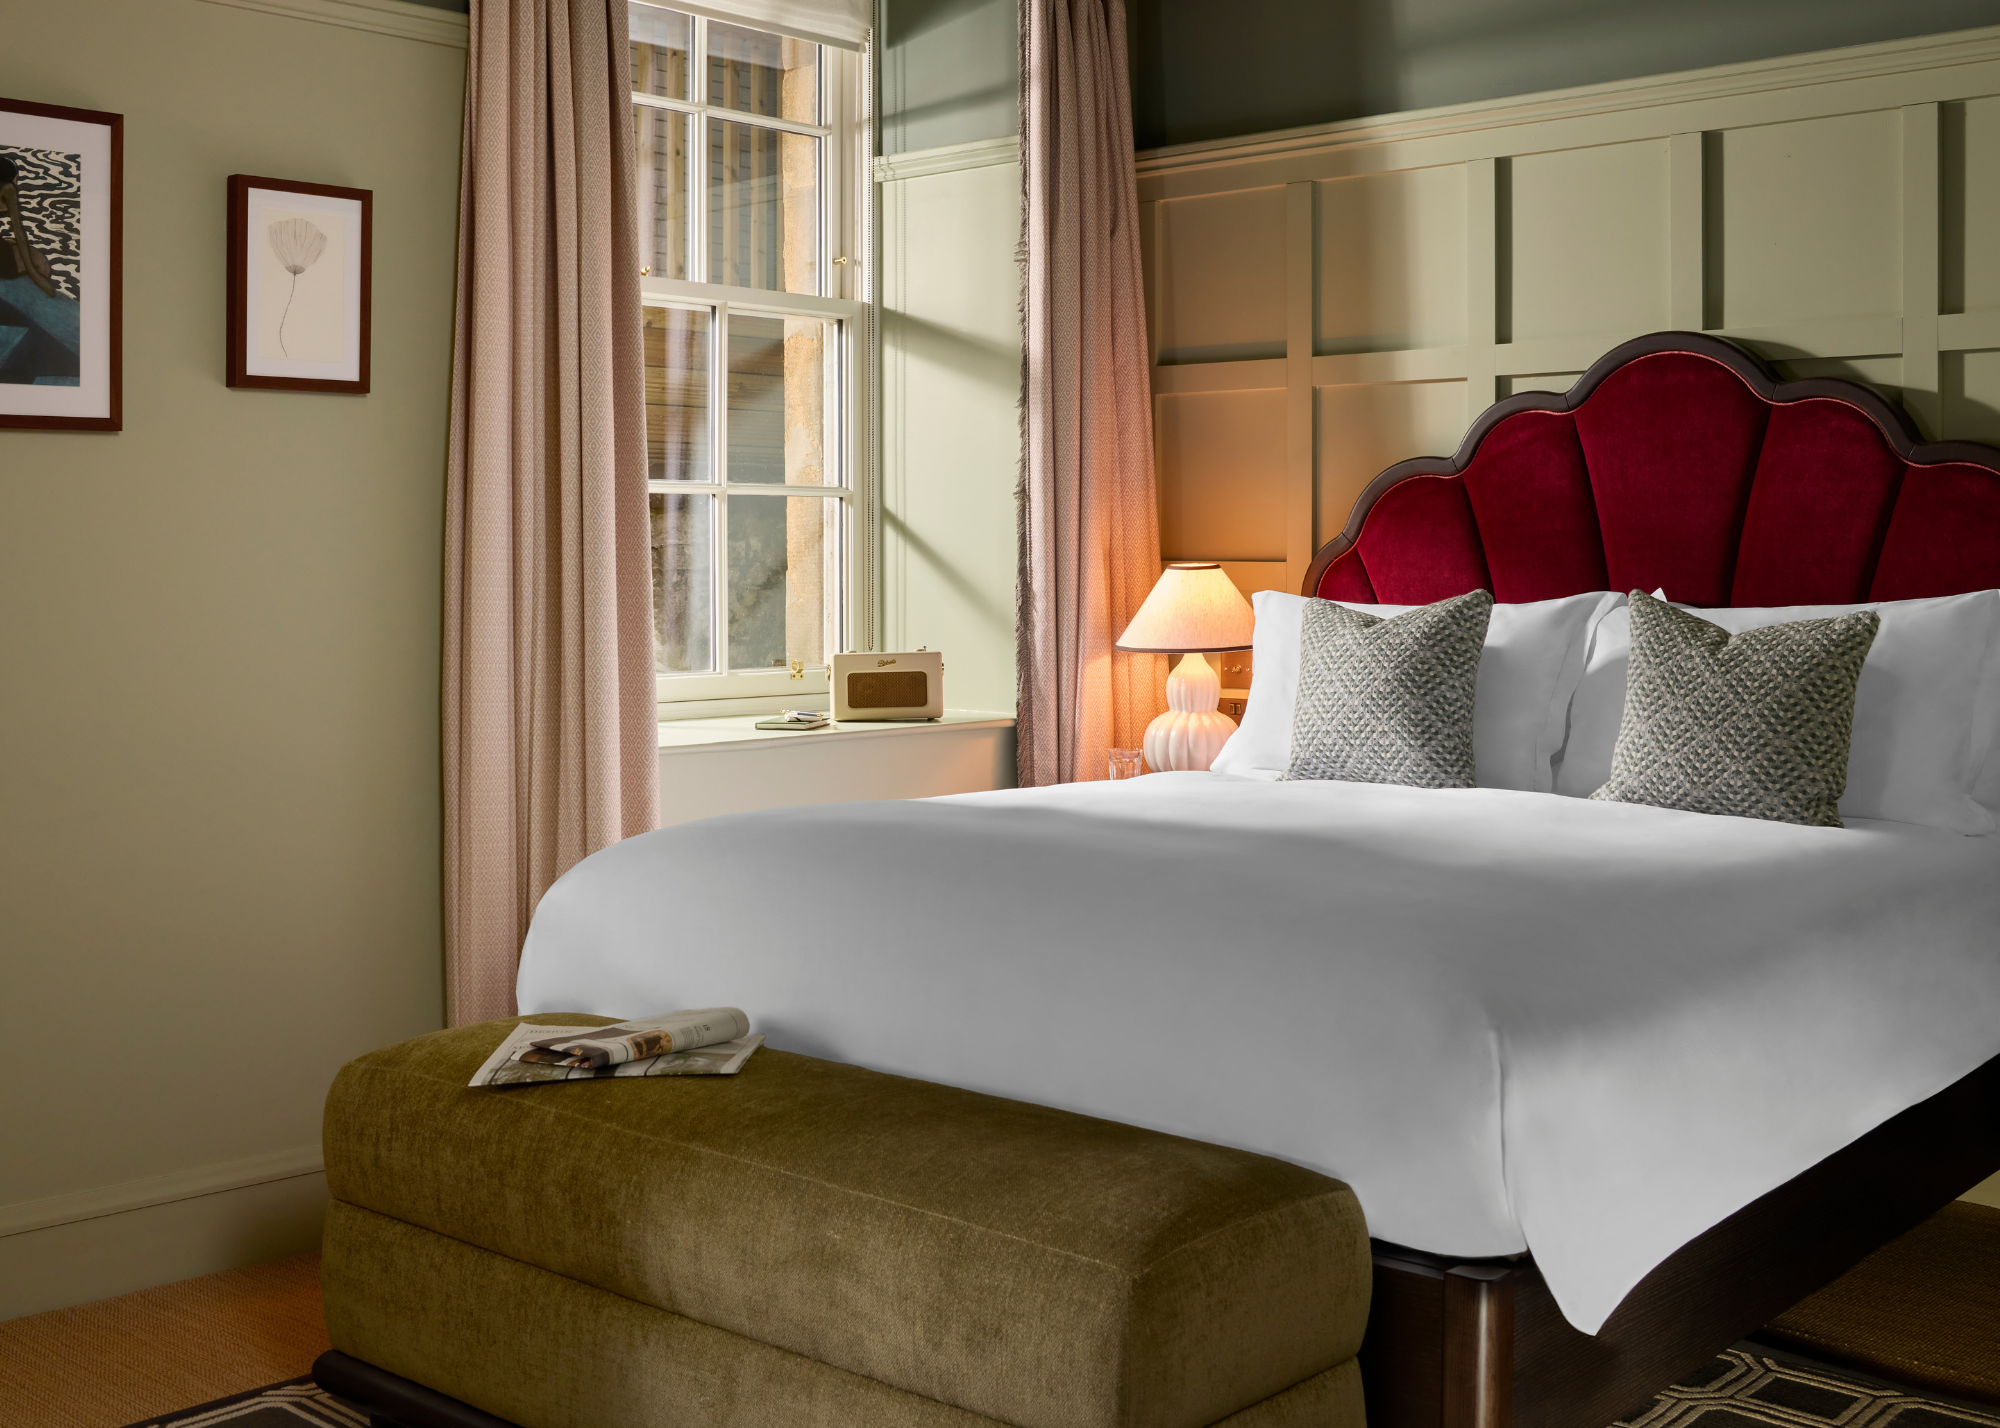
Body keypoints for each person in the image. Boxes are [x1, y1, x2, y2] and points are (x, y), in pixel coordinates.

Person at [0, 153, 62, 299]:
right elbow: (19, 231)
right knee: (41, 263)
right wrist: (36, 275)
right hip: (3, 264)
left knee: (11, 242)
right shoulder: (8, 189)